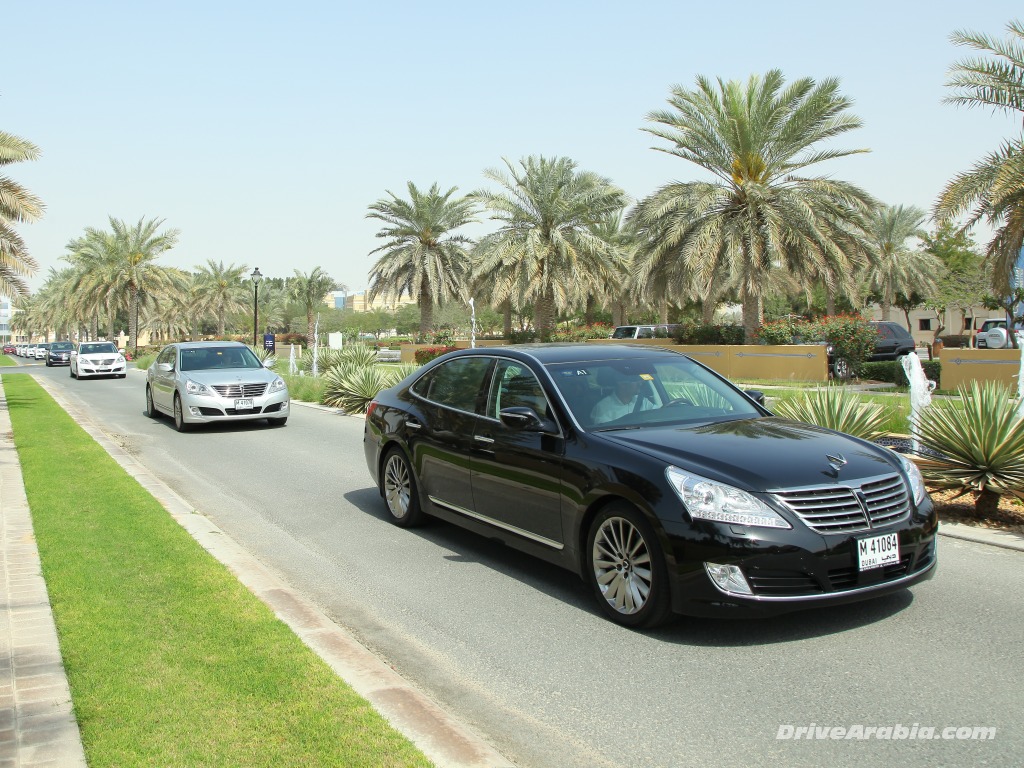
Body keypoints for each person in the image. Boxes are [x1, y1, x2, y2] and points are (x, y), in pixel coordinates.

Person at [591, 373, 657, 424]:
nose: (641, 383)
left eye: (641, 380)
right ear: (622, 384)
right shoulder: (603, 408)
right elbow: (606, 435)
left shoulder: (644, 402)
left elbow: (658, 415)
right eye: (636, 380)